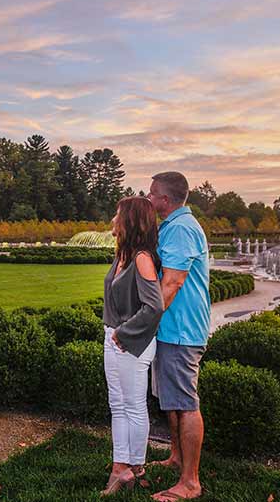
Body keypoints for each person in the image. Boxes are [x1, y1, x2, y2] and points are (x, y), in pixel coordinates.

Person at [146, 172, 210, 502]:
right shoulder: (174, 226)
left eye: (152, 193)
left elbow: (172, 283)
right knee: (171, 400)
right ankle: (175, 456)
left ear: (166, 200)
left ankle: (190, 482)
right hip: (171, 329)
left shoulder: (182, 229)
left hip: (181, 331)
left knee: (185, 404)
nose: (148, 197)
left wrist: (143, 323)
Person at [101, 196, 165, 495]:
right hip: (115, 338)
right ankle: (121, 467)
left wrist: (123, 334)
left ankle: (133, 467)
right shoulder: (123, 254)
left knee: (134, 407)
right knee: (118, 406)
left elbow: (154, 306)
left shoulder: (141, 257)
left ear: (130, 220)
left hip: (131, 343)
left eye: (118, 214)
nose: (114, 219)